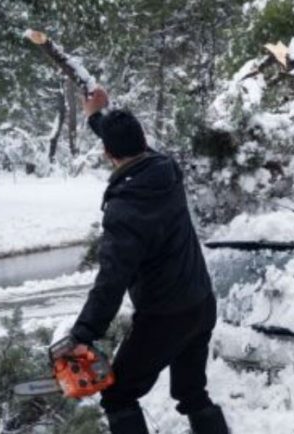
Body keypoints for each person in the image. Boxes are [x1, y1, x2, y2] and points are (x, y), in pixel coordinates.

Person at [59, 86, 229, 434]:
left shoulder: (125, 210)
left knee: (118, 396)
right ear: (144, 140)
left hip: (164, 318)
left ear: (108, 154)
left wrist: (84, 334)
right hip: (201, 304)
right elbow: (128, 146)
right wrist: (97, 117)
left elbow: (111, 281)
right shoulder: (166, 170)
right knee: (192, 392)